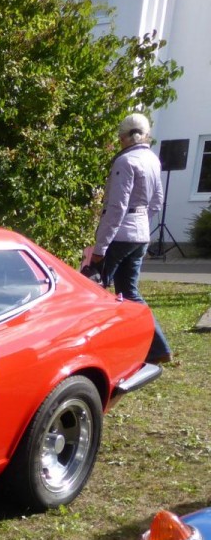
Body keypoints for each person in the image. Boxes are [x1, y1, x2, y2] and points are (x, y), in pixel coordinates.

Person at [91, 112, 173, 364]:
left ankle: (100, 348)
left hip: (120, 235)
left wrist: (100, 247)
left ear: (123, 137)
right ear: (145, 135)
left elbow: (116, 207)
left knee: (96, 291)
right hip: (140, 234)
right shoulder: (152, 160)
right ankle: (158, 348)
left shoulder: (124, 162)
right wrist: (141, 224)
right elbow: (157, 201)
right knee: (129, 292)